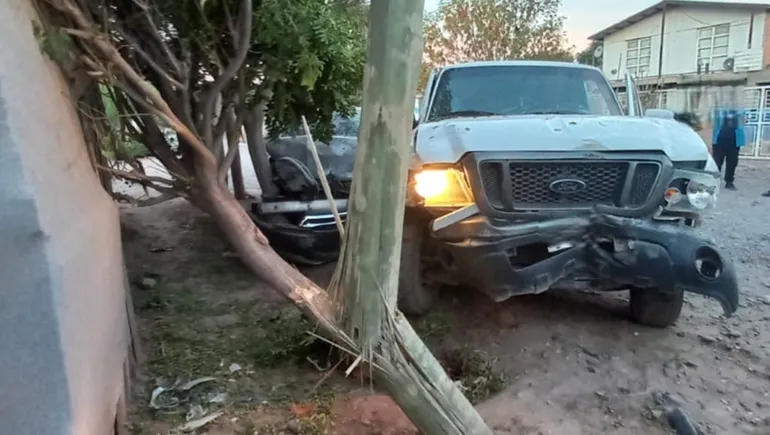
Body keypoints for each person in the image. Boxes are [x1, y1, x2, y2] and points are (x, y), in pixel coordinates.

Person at [711, 108, 745, 190]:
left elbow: (742, 121)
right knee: (717, 163)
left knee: (732, 163)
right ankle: (714, 182)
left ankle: (729, 182)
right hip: (719, 140)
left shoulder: (740, 110)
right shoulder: (718, 109)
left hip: (735, 140)